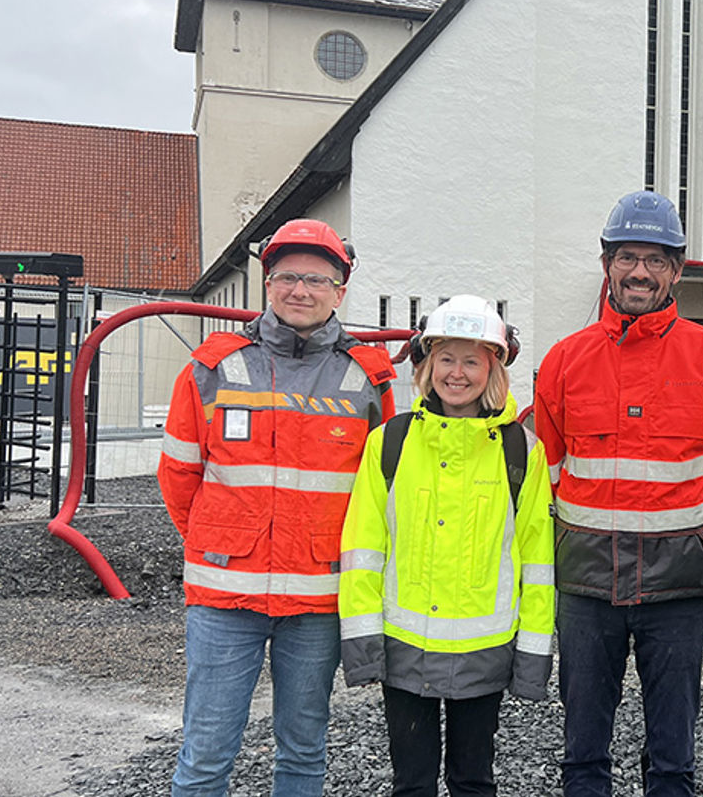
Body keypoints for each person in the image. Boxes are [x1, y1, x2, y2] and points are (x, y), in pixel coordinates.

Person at [158, 218, 396, 796]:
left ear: (340, 291)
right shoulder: (213, 367)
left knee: (304, 750)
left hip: (318, 600)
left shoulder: (369, 378)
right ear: (268, 284)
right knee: (206, 753)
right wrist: (221, 542)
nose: (300, 290)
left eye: (317, 280)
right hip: (224, 597)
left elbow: (384, 490)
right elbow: (179, 477)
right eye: (288, 276)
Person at [535, 190, 703, 797]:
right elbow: (547, 473)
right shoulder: (564, 361)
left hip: (679, 587)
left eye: (656, 260)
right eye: (628, 257)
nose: (640, 272)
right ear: (606, 264)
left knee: (673, 753)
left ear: (677, 271)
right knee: (582, 748)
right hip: (586, 584)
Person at [338, 295, 555, 797]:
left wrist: (532, 659)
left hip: (484, 655)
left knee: (473, 782)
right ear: (427, 364)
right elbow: (363, 548)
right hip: (404, 652)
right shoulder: (390, 442)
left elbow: (537, 563)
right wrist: (364, 645)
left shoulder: (522, 452)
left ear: (493, 369)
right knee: (411, 784)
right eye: (446, 359)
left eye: (472, 361)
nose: (457, 373)